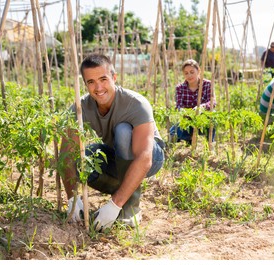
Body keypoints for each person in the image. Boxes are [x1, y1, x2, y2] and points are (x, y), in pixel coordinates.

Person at [60, 53, 165, 231]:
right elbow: (66, 154)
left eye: (103, 79)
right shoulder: (81, 108)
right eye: (91, 82)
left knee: (123, 131)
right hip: (117, 156)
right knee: (87, 158)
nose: (98, 87)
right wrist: (71, 197)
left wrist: (115, 205)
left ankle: (130, 207)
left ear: (114, 77)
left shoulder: (135, 104)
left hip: (150, 157)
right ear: (85, 84)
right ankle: (126, 188)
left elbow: (144, 158)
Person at [169, 59, 214, 144]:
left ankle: (210, 142)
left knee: (213, 118)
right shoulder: (180, 88)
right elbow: (179, 105)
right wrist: (183, 111)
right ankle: (187, 140)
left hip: (203, 118)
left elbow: (212, 102)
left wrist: (201, 107)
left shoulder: (207, 84)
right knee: (173, 132)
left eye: (192, 72)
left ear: (199, 71)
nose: (189, 75)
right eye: (186, 73)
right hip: (187, 119)